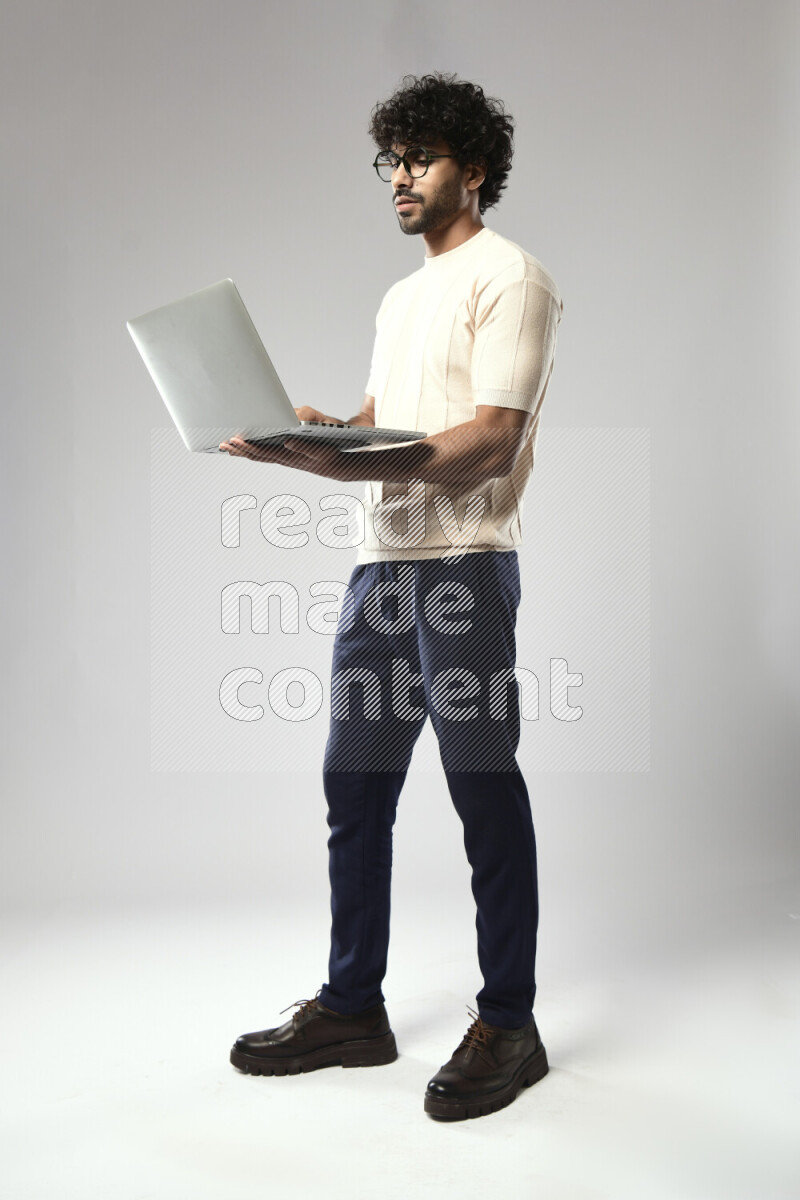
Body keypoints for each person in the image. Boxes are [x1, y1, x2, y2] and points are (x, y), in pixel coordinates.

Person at [220, 71, 564, 1122]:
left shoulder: (511, 278)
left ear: (476, 169)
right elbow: (394, 419)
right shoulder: (398, 297)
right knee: (354, 792)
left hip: (460, 570)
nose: (399, 178)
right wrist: (326, 431)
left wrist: (336, 469)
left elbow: (485, 442)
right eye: (391, 161)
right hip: (381, 573)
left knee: (478, 787)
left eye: (418, 158)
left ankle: (508, 1020)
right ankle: (351, 1008)